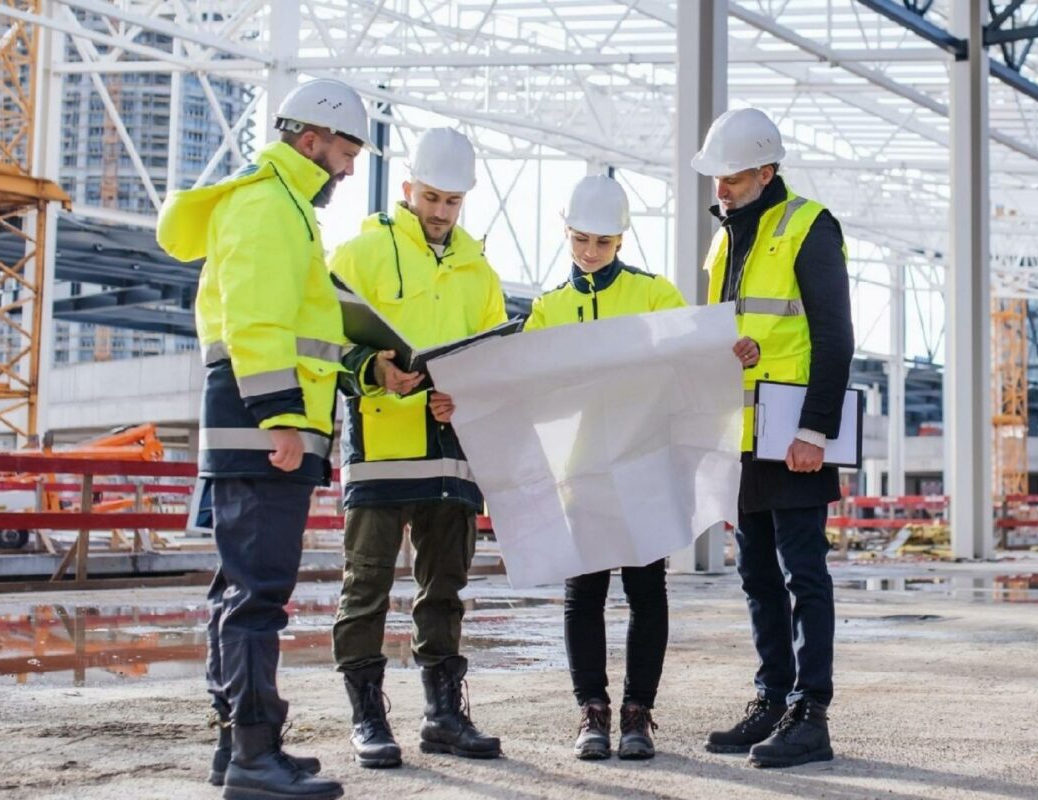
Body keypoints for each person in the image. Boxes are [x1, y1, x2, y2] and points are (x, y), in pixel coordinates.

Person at [157, 77, 376, 800]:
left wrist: (360, 369)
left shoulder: (280, 208)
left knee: (240, 590)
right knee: (257, 594)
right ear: (310, 139)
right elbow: (254, 323)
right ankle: (254, 758)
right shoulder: (265, 206)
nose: (348, 168)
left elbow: (305, 326)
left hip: (259, 425)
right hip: (262, 427)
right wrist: (282, 417)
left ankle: (239, 748)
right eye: (345, 150)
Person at [330, 127, 507, 768]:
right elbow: (322, 340)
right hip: (381, 443)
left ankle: (444, 715)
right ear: (407, 189)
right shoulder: (361, 253)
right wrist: (371, 369)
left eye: (452, 201)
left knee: (445, 588)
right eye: (431, 197)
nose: (440, 212)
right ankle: (368, 716)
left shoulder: (480, 273)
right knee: (367, 583)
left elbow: (494, 362)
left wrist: (471, 393)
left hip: (451, 450)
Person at [691, 108, 854, 769]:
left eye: (730, 178)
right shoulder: (724, 242)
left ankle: (811, 712)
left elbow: (835, 335)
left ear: (765, 171)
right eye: (716, 179)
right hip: (742, 433)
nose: (720, 190)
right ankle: (772, 696)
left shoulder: (810, 227)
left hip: (793, 435)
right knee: (757, 577)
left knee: (802, 575)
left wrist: (816, 430)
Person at [523, 174, 686, 761]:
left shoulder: (655, 295)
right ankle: (591, 711)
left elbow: (690, 362)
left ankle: (638, 713)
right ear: (566, 232)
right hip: (582, 471)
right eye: (581, 239)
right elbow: (527, 390)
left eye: (604, 243)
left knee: (647, 591)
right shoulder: (547, 309)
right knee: (583, 593)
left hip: (644, 465)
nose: (591, 253)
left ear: (622, 240)